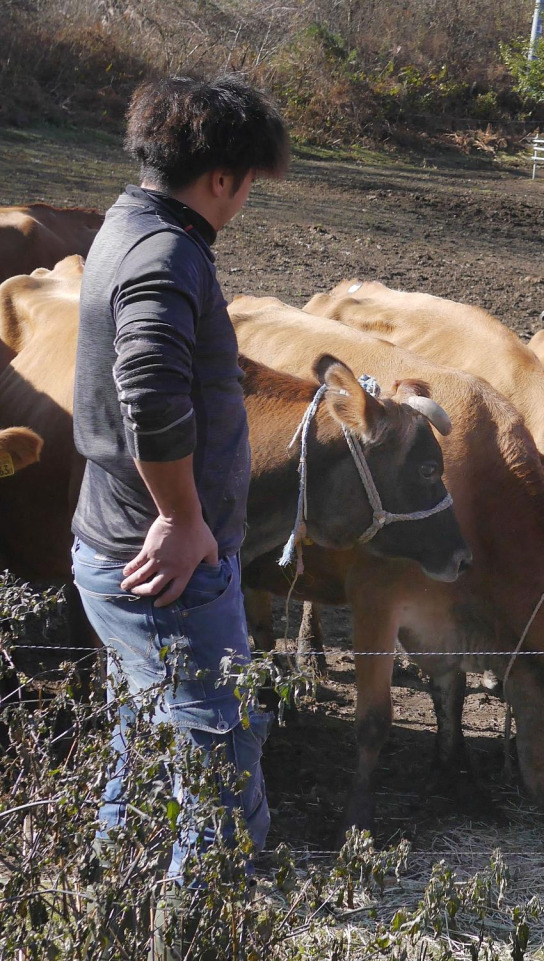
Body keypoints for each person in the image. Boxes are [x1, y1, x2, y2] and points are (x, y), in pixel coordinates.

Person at [70, 74, 289, 930]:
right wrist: (184, 517)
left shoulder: (125, 226)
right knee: (219, 773)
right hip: (163, 567)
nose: (243, 206)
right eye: (248, 188)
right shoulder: (166, 255)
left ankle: (107, 915)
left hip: (119, 541)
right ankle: (188, 935)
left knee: (145, 739)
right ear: (223, 177)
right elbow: (150, 395)